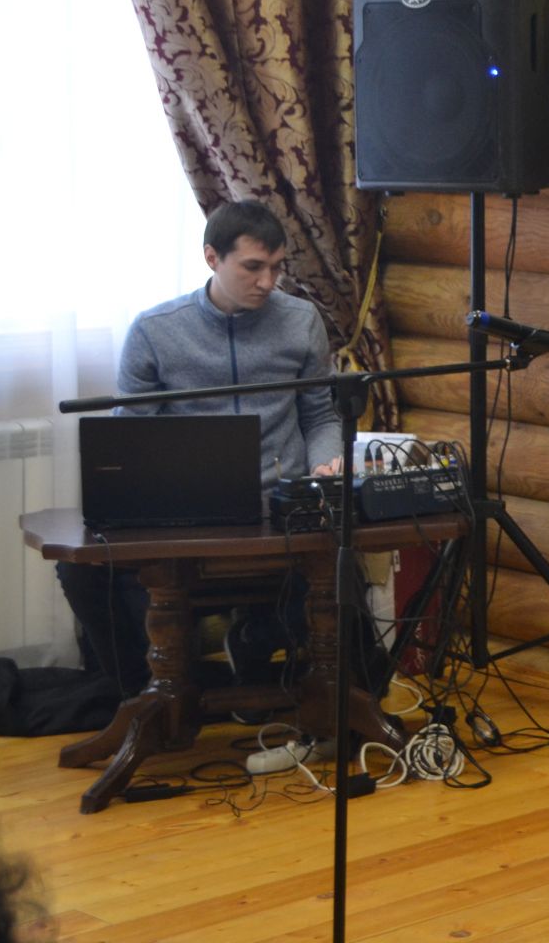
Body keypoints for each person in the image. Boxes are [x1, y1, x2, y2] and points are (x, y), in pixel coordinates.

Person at [57, 200, 343, 696]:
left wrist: (326, 460)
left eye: (277, 268)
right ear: (212, 257)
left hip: (280, 508)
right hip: (186, 514)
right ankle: (148, 697)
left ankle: (287, 672)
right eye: (253, 267)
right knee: (81, 571)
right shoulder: (155, 330)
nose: (268, 282)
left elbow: (320, 413)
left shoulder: (302, 321)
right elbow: (131, 437)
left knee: (341, 562)